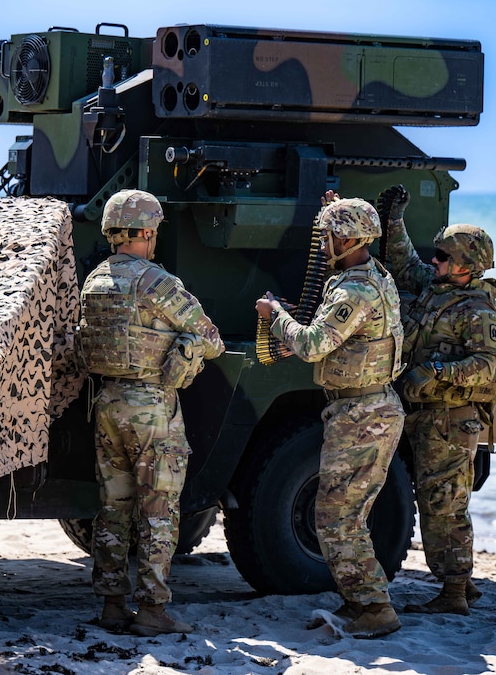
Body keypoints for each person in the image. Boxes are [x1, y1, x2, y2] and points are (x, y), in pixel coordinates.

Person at [255, 195, 405, 639]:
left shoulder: (354, 289)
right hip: (367, 407)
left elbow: (313, 345)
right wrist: (339, 211)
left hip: (362, 412)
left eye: (330, 234)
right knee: (346, 512)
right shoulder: (370, 276)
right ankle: (360, 598)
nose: (323, 243)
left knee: (336, 515)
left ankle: (375, 608)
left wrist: (275, 315)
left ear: (350, 239)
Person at [77, 189, 224, 636]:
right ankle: (154, 611)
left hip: (107, 404)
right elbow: (211, 339)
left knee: (113, 508)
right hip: (151, 407)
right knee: (158, 509)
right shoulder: (156, 282)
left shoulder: (95, 280)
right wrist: (190, 346)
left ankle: (112, 605)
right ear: (146, 231)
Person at [383, 185, 496, 616]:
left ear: (466, 266)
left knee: (444, 506)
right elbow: (404, 262)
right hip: (427, 418)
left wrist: (436, 373)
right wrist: (393, 221)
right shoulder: (435, 289)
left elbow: (486, 366)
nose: (434, 260)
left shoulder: (478, 311)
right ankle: (461, 585)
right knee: (439, 500)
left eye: (443, 256)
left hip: (451, 419)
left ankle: (453, 594)